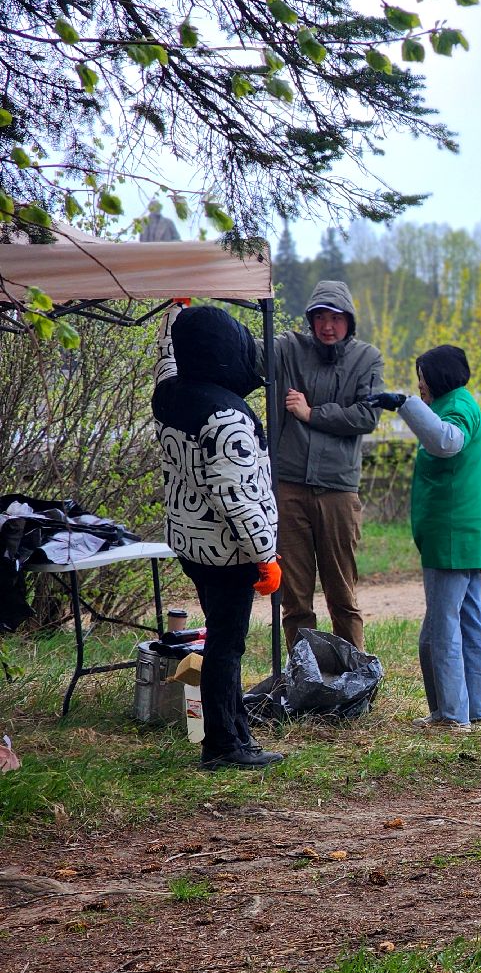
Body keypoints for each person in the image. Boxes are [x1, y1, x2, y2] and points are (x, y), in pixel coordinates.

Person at [153, 305, 285, 770]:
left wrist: (174, 318)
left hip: (191, 544)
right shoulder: (227, 417)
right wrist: (265, 556)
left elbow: (166, 358)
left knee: (220, 639)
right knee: (226, 647)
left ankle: (236, 730)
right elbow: (238, 497)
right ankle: (223, 744)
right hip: (230, 553)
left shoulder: (170, 393)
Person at [366, 346, 481, 732]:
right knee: (468, 621)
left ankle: (452, 715)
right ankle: (476, 709)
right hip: (462, 535)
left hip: (452, 536)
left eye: (421, 375)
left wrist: (404, 404)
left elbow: (446, 441)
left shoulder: (457, 407)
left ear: (437, 377)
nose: (419, 383)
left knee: (442, 627)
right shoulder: (460, 402)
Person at [265, 280, 383, 654]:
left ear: (349, 320)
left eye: (335, 318)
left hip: (337, 488)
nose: (327, 326)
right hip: (290, 486)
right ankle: (307, 676)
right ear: (310, 320)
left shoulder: (367, 358)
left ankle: (355, 676)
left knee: (341, 594)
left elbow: (368, 414)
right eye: (320, 317)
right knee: (295, 598)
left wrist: (311, 413)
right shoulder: (290, 349)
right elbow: (253, 352)